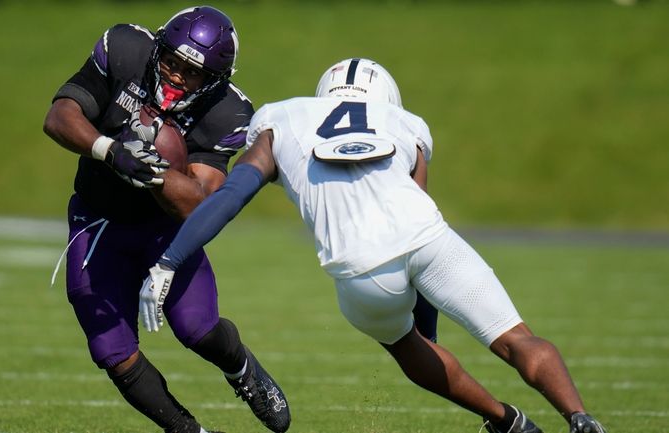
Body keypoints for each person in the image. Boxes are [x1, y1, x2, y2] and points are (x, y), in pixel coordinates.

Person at [138, 58, 609, 433]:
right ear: (385, 97)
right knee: (515, 337)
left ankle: (507, 422)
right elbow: (417, 209)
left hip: (362, 268)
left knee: (407, 347)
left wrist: (169, 260)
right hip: (429, 238)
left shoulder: (280, 118)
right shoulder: (406, 124)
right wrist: (430, 322)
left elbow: (233, 194)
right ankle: (580, 418)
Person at [42, 6, 290, 433]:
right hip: (98, 221)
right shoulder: (123, 49)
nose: (176, 75)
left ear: (214, 81)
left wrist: (154, 171)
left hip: (166, 232)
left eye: (191, 72)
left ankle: (243, 370)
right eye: (172, 61)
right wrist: (111, 150)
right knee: (111, 348)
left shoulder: (227, 113)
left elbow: (198, 204)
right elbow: (60, 116)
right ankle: (185, 429)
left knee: (197, 328)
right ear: (158, 48)